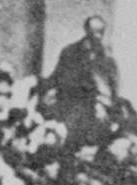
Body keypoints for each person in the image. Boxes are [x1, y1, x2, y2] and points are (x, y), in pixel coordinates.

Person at [44, 16, 122, 144]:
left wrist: (109, 107)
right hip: (74, 104)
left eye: (101, 32)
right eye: (94, 31)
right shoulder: (70, 52)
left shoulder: (107, 58)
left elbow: (114, 86)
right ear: (86, 30)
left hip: (100, 108)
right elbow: (59, 77)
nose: (97, 36)